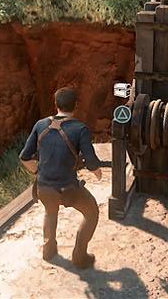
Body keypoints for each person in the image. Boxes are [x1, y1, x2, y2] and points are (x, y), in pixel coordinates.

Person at [18, 86, 105, 269]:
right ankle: (79, 257)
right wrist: (98, 172)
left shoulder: (40, 125)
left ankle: (48, 251)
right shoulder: (80, 129)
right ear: (76, 105)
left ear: (55, 104)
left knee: (50, 212)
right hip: (69, 189)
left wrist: (38, 172)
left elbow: (24, 157)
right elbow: (91, 161)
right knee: (91, 213)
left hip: (44, 188)